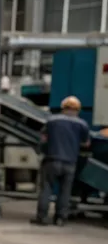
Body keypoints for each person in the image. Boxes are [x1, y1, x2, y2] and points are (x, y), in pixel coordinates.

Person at [32, 96, 90, 226]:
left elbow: (43, 138)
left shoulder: (52, 120)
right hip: (70, 162)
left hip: (52, 160)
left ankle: (41, 217)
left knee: (46, 189)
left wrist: (42, 149)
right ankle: (60, 218)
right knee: (65, 191)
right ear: (78, 110)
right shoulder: (82, 124)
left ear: (63, 108)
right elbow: (86, 143)